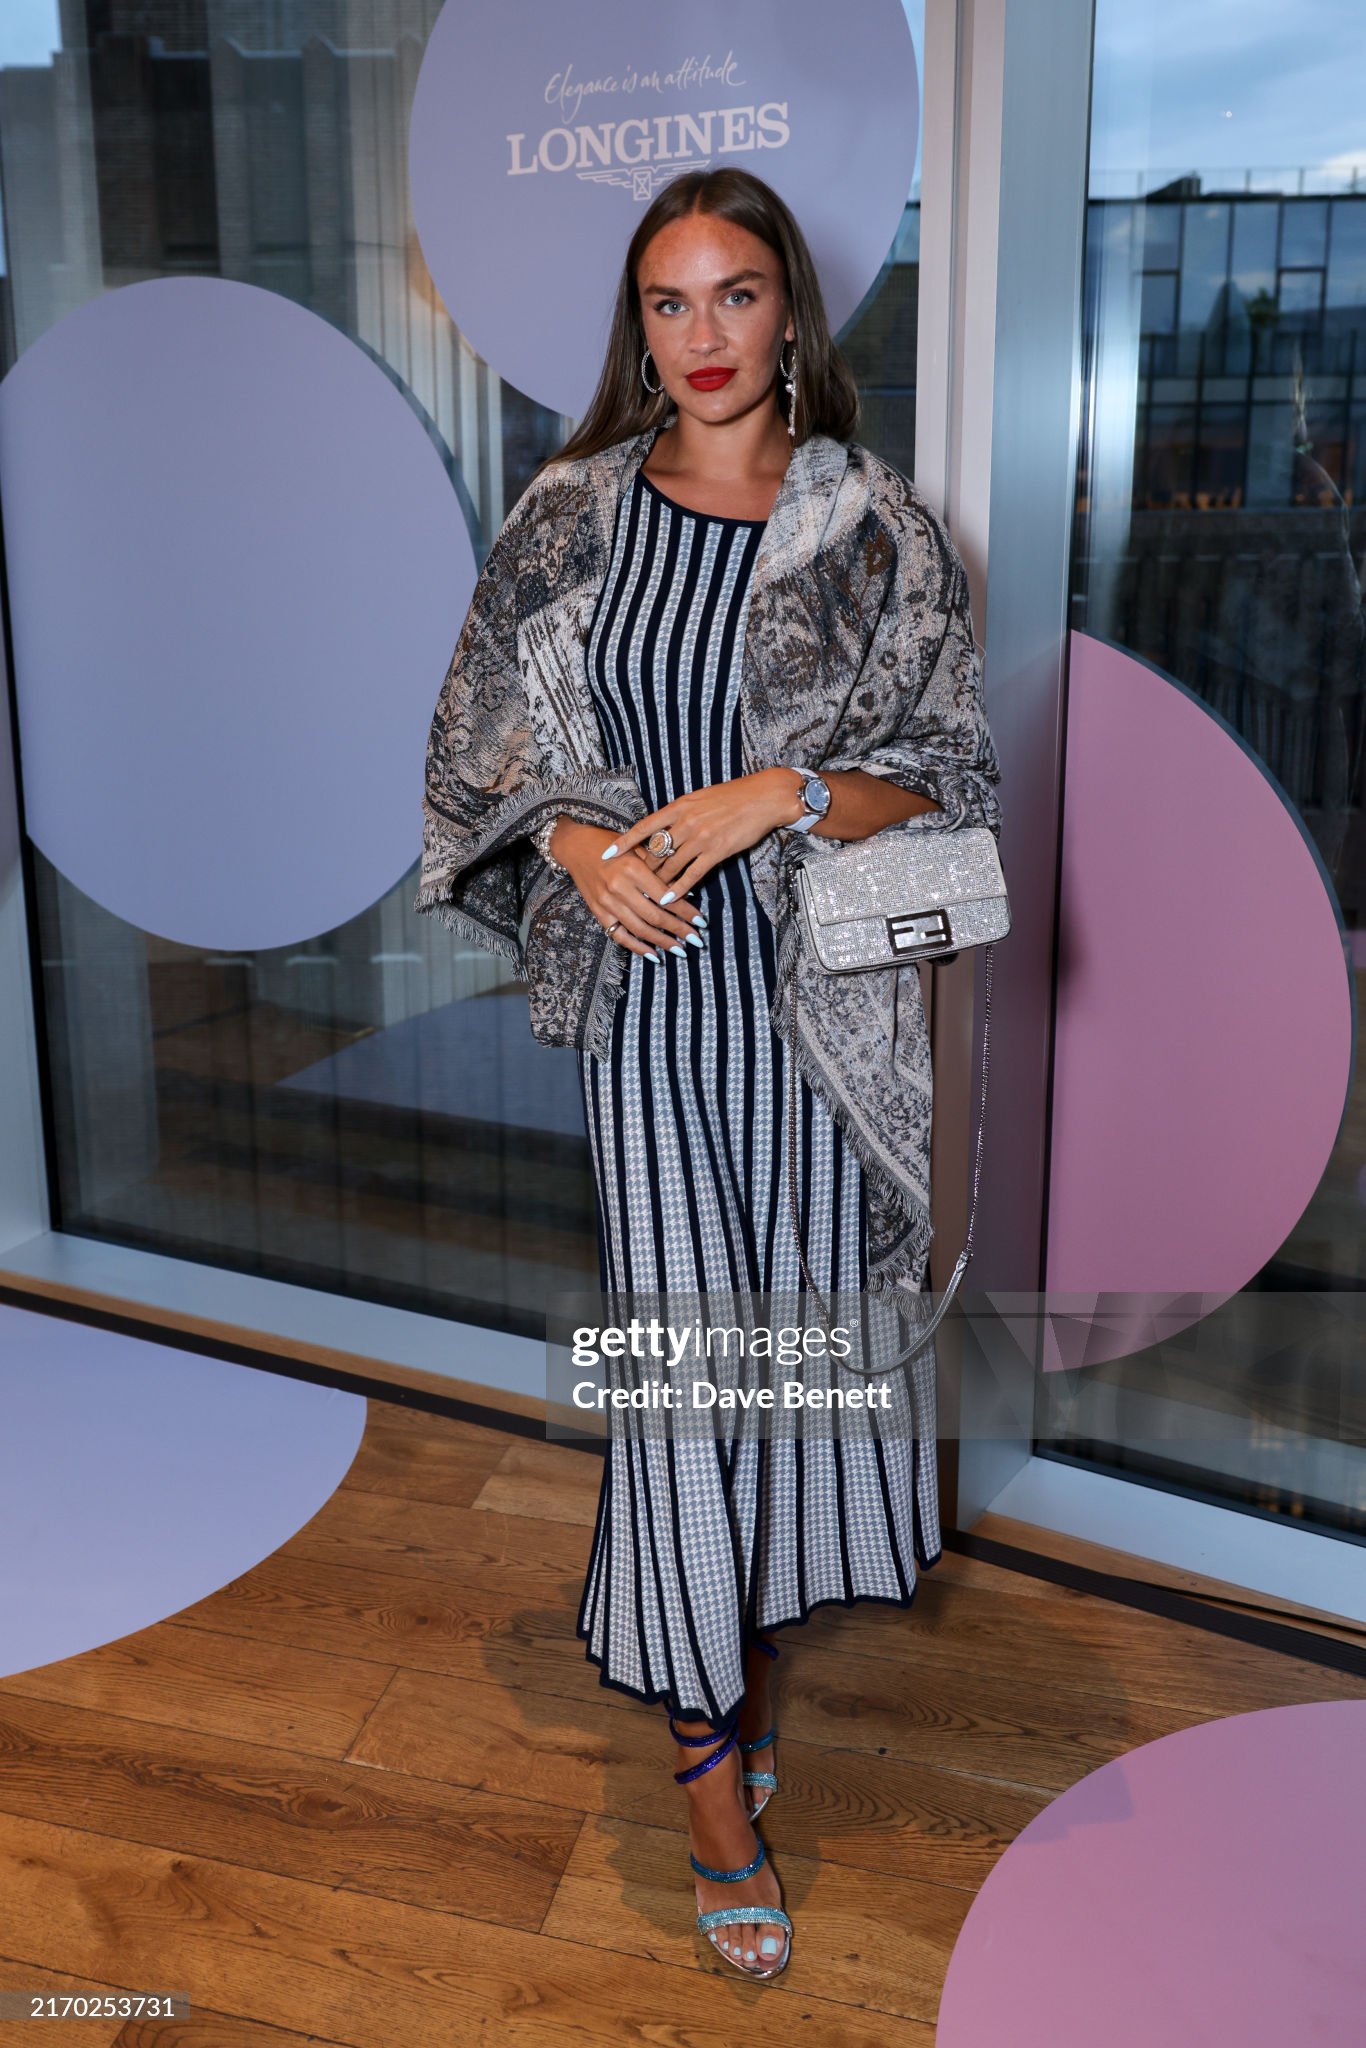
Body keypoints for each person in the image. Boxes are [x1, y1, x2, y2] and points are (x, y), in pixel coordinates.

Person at [415, 166, 1003, 1983]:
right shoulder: (570, 516)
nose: (702, 336)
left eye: (733, 294)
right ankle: (704, 1780)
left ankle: (727, 1662)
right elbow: (475, 753)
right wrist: (573, 843)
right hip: (659, 1017)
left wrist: (784, 792)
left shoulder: (874, 529)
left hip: (824, 1026)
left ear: (788, 311)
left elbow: (953, 775)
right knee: (685, 1382)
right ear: (638, 328)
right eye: (667, 304)